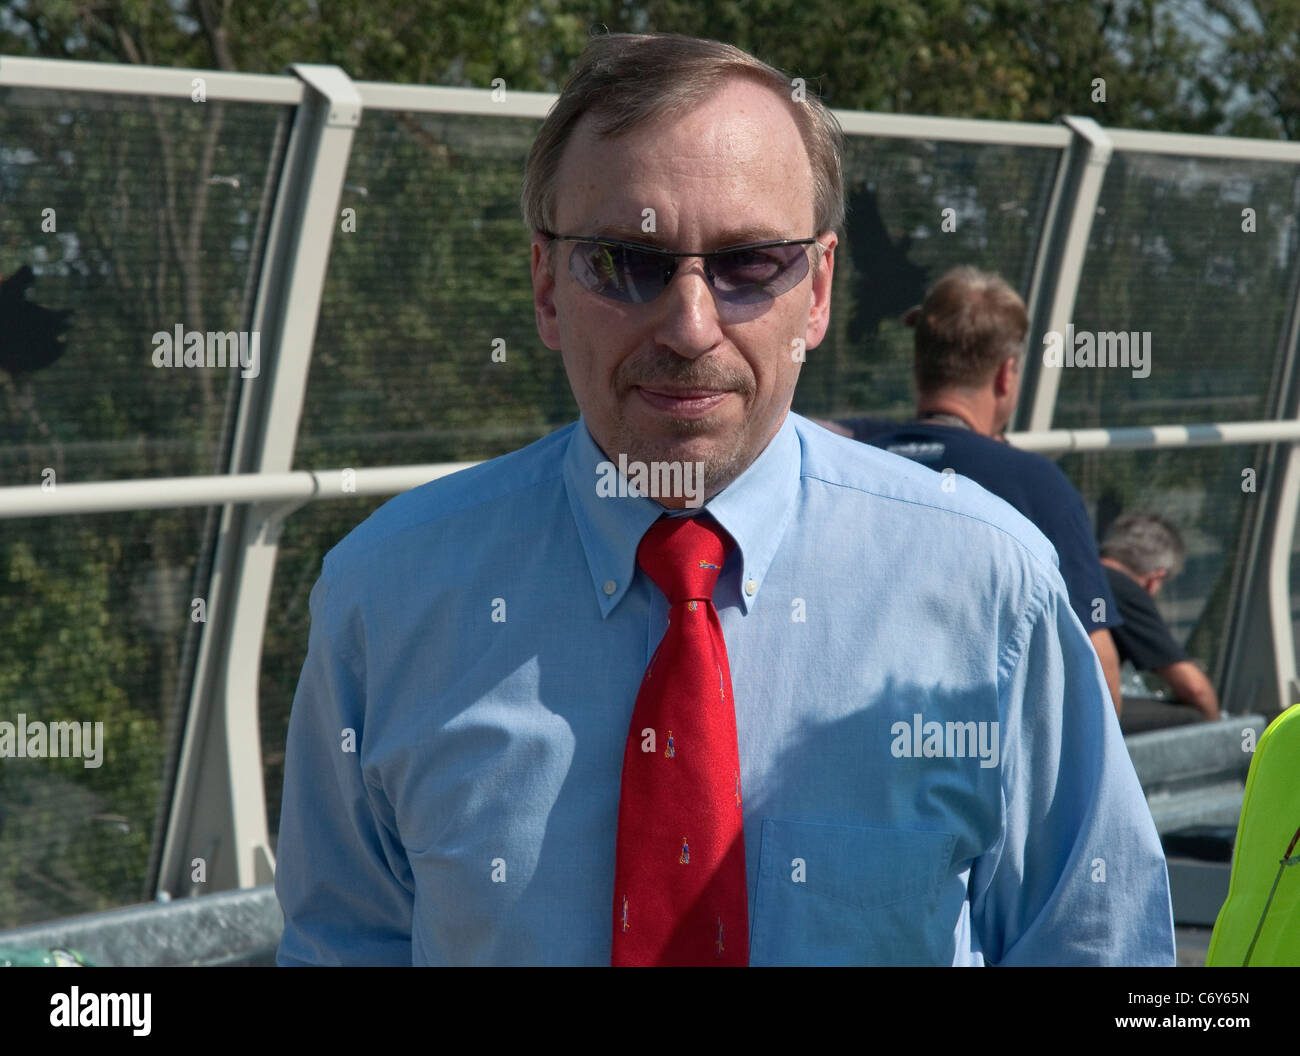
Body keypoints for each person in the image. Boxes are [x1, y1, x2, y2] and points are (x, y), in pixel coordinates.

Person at [274, 32, 1174, 966]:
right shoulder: (386, 600)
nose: (692, 325)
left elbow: (1096, 946)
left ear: (818, 291)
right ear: (546, 286)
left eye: (750, 264)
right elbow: (344, 943)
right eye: (627, 261)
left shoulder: (988, 589)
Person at [829, 268, 1125, 716]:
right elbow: (1097, 669)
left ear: (917, 367)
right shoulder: (1036, 486)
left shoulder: (848, 467)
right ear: (1006, 375)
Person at [1100, 513, 1220, 721]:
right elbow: (1195, 689)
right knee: (1194, 715)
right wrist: (1221, 735)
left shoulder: (1081, 574)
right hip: (1081, 718)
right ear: (1155, 579)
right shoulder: (1124, 588)